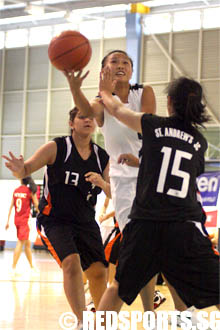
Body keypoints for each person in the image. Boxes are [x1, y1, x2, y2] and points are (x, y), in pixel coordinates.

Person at [97, 72, 220, 317]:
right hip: (183, 226)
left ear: (170, 102)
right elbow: (175, 170)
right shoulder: (199, 142)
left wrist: (104, 92)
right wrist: (143, 162)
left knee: (118, 287)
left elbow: (118, 111)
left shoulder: (154, 125)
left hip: (146, 223)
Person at [64, 50, 167, 312]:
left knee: (157, 246)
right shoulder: (101, 101)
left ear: (132, 70)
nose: (120, 65)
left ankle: (152, 310)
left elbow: (144, 125)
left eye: (125, 62)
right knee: (137, 247)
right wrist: (75, 88)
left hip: (149, 176)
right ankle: (144, 309)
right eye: (114, 61)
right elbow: (87, 111)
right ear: (103, 71)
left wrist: (108, 97)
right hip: (122, 183)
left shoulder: (144, 92)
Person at [2, 107, 111, 329]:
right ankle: (81, 321)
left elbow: (113, 193)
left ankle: (103, 323)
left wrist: (102, 183)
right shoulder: (57, 147)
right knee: (71, 263)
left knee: (100, 272)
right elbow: (27, 169)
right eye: (81, 117)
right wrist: (18, 169)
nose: (87, 120)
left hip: (86, 221)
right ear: (71, 123)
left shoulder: (102, 156)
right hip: (55, 220)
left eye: (90, 117)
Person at [5, 176, 39, 274]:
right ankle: (13, 268)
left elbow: (11, 206)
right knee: (20, 242)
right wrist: (42, 216)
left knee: (27, 244)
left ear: (21, 180)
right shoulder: (29, 191)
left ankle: (32, 267)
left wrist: (7, 221)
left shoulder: (16, 191)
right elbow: (36, 205)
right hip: (24, 221)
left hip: (17, 220)